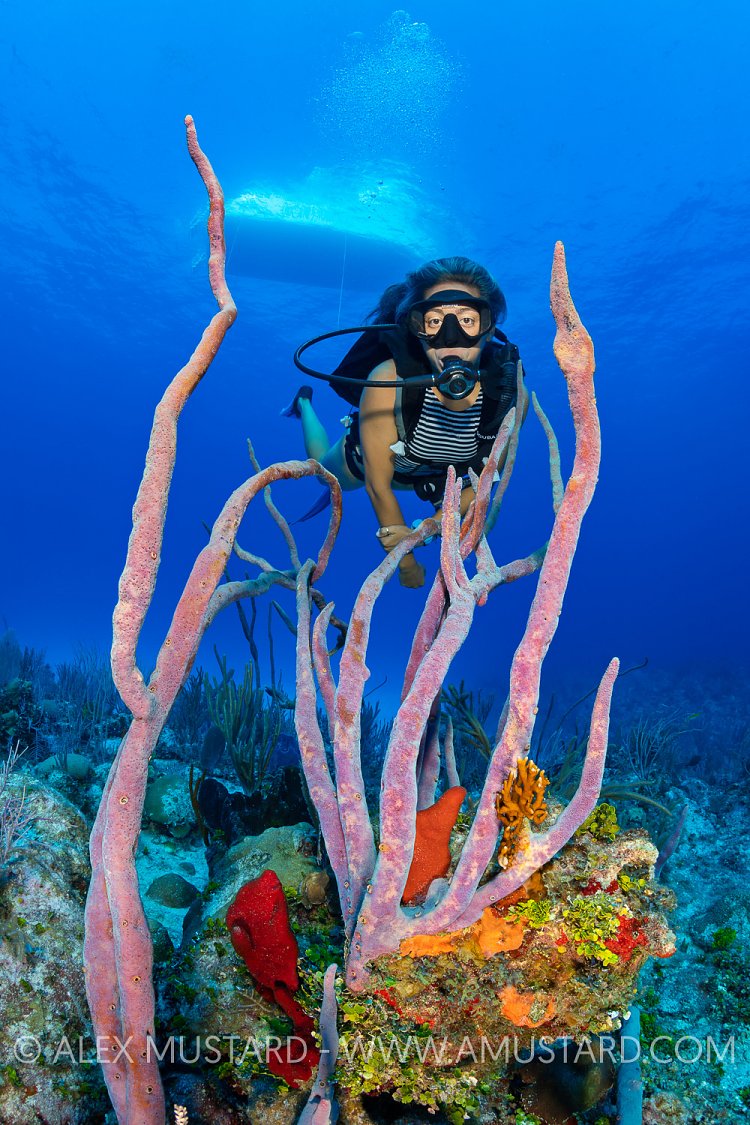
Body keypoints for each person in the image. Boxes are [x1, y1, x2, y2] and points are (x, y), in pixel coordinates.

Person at [283, 256, 525, 588]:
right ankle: (304, 403)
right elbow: (378, 486)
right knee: (321, 475)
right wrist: (406, 563)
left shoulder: (509, 392)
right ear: (416, 328)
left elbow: (486, 480)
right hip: (363, 464)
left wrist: (429, 528)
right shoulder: (386, 380)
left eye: (468, 320)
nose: (451, 338)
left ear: (489, 327)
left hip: (436, 478)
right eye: (435, 321)